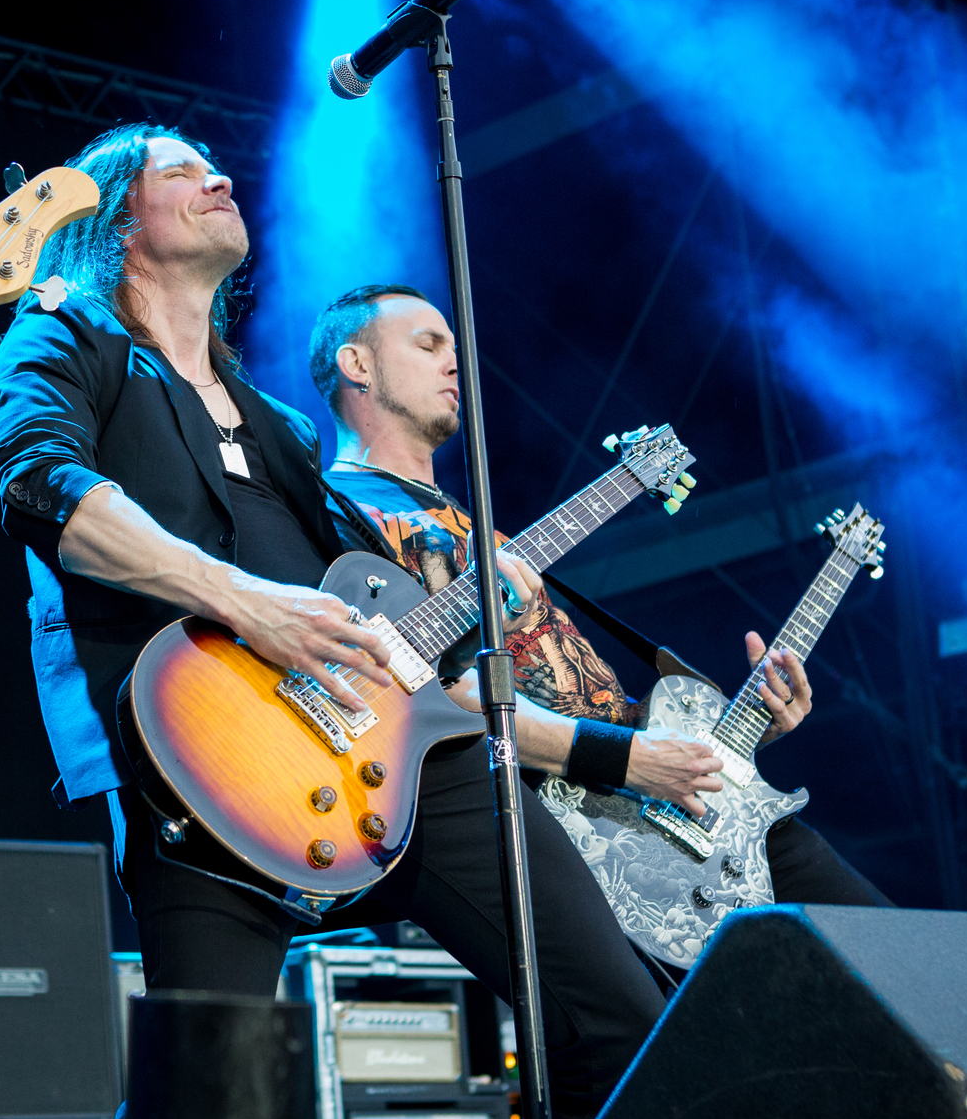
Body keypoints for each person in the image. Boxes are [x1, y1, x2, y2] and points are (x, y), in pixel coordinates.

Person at [0, 123, 692, 1119]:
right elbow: (33, 482)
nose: (217, 176)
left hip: (396, 759)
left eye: (215, 164)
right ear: (118, 220)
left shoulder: (279, 429)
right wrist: (243, 601)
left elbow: (372, 610)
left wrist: (474, 599)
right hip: (198, 764)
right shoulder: (66, 333)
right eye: (178, 170)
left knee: (620, 1022)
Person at [309, 282, 892, 915]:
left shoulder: (485, 533)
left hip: (673, 803)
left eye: (456, 348)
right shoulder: (342, 514)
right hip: (580, 833)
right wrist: (626, 758)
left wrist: (734, 734)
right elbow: (428, 695)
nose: (457, 364)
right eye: (429, 346)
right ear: (357, 364)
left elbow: (588, 697)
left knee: (898, 951)